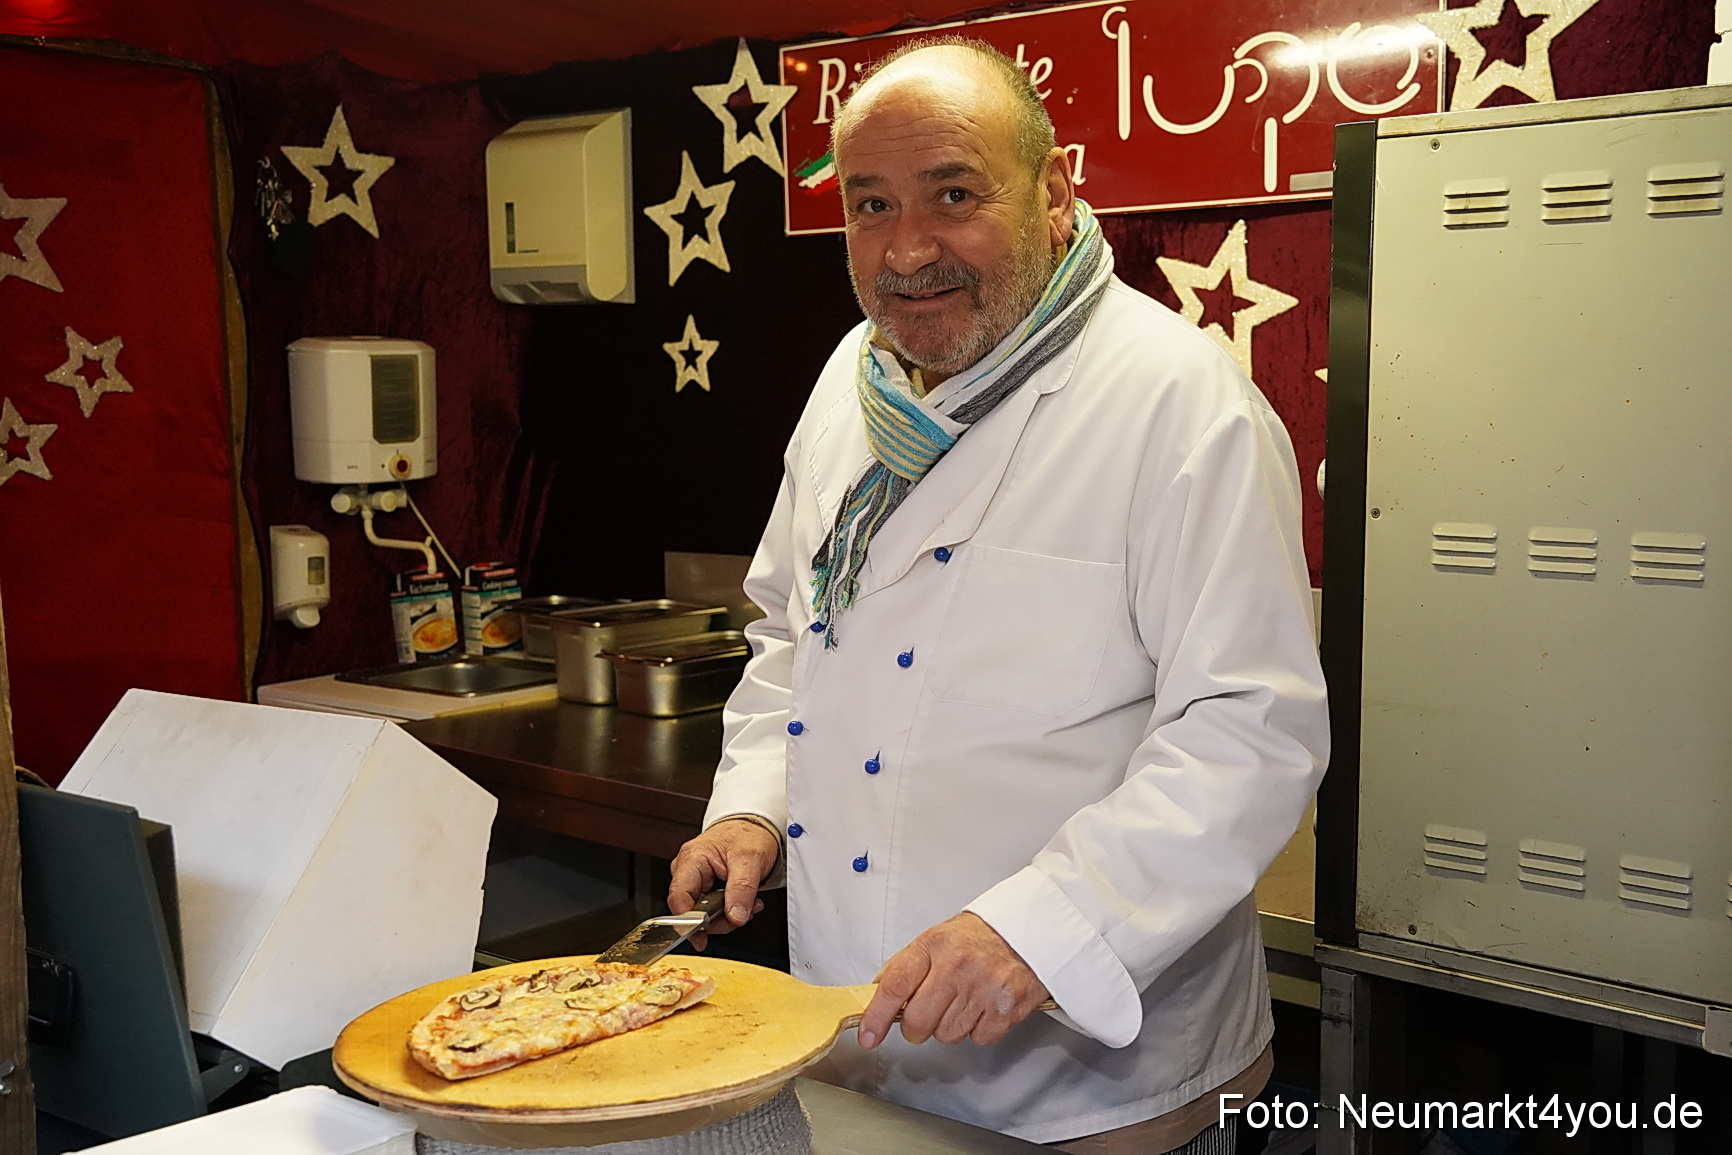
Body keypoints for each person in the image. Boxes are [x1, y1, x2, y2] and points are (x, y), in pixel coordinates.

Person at [667, 36, 1328, 1153]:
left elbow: (1246, 731)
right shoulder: (849, 381)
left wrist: (1041, 930)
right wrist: (753, 804)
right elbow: (793, 631)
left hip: (1093, 1080)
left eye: (954, 195)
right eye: (870, 204)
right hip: (852, 1032)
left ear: (1055, 191)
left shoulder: (1177, 403)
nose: (907, 248)